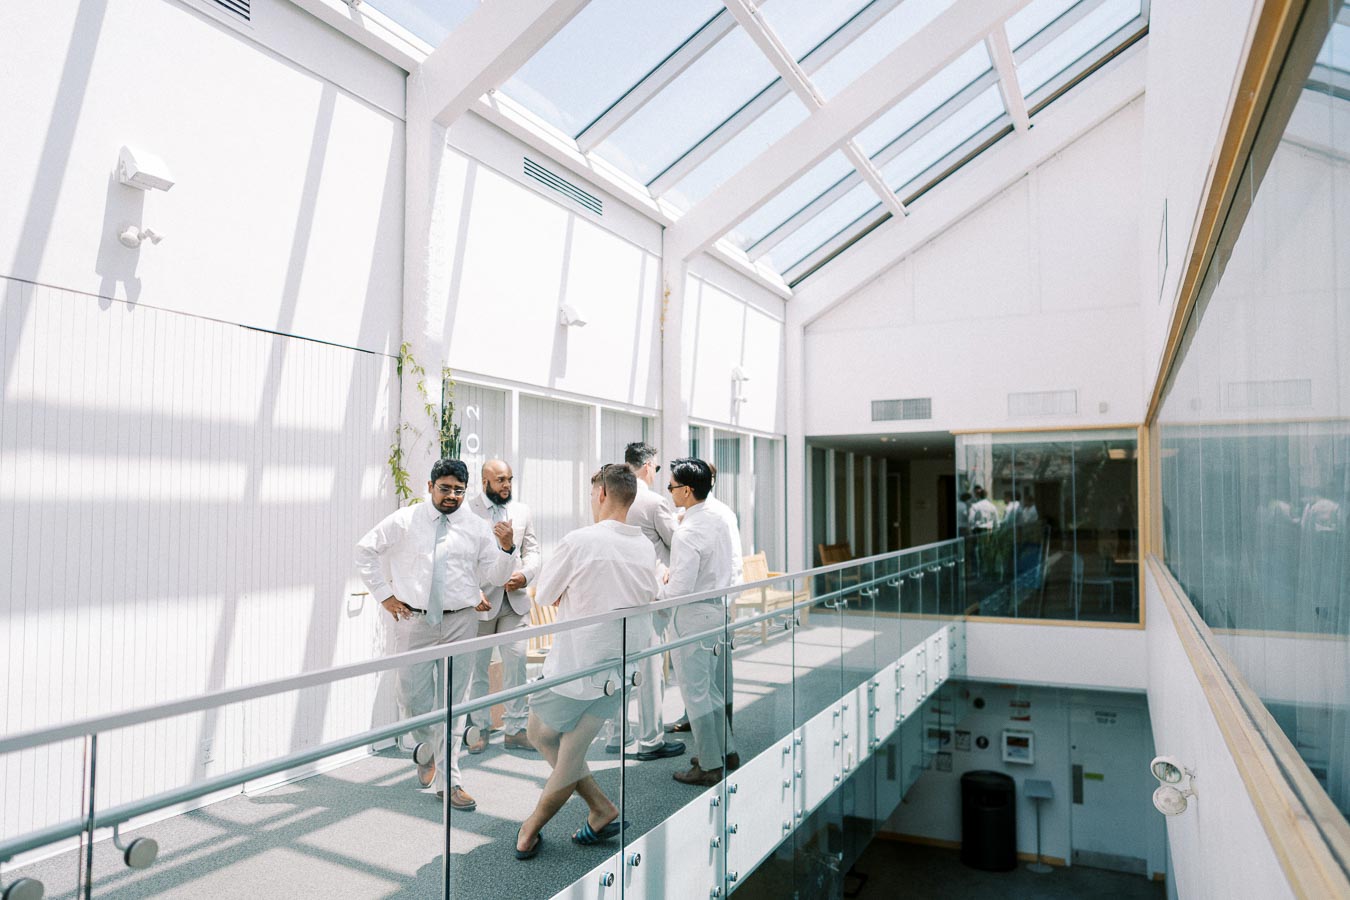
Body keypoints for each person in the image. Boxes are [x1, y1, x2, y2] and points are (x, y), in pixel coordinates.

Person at [354, 458, 519, 812]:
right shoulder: (405, 520)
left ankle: (451, 780)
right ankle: (427, 749)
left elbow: (495, 573)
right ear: (430, 487)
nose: (452, 496)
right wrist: (385, 595)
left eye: (459, 490)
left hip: (461, 620)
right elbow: (364, 550)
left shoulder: (476, 527)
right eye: (445, 488)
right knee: (411, 699)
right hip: (414, 621)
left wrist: (507, 549)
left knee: (454, 704)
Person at [514, 464, 659, 860]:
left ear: (601, 495)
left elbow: (544, 596)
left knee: (560, 749)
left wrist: (568, 593)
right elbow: (649, 595)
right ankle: (600, 808)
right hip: (620, 667)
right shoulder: (644, 545)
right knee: (544, 735)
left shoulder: (580, 540)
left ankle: (531, 829)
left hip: (578, 666)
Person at [607, 442, 684, 760]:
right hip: (649, 594)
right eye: (657, 468)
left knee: (619, 667)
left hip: (614, 593)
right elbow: (676, 542)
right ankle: (650, 740)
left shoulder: (610, 495)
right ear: (648, 465)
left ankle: (617, 734)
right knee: (651, 670)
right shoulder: (654, 501)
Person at [663, 458, 738, 786]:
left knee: (695, 693)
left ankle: (708, 764)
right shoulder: (719, 518)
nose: (669, 492)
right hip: (717, 611)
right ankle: (726, 751)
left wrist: (658, 587)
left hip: (692, 615)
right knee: (711, 690)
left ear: (688, 491)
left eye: (672, 487)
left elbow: (680, 588)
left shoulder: (688, 531)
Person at [464, 459, 540, 753]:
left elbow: (532, 550)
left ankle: (516, 729)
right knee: (478, 670)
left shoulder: (522, 511)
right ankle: (480, 727)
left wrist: (526, 575)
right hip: (480, 603)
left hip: (515, 601)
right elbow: (460, 558)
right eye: (500, 480)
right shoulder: (466, 511)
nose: (506, 485)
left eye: (509, 479)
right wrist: (470, 593)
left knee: (516, 665)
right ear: (485, 482)